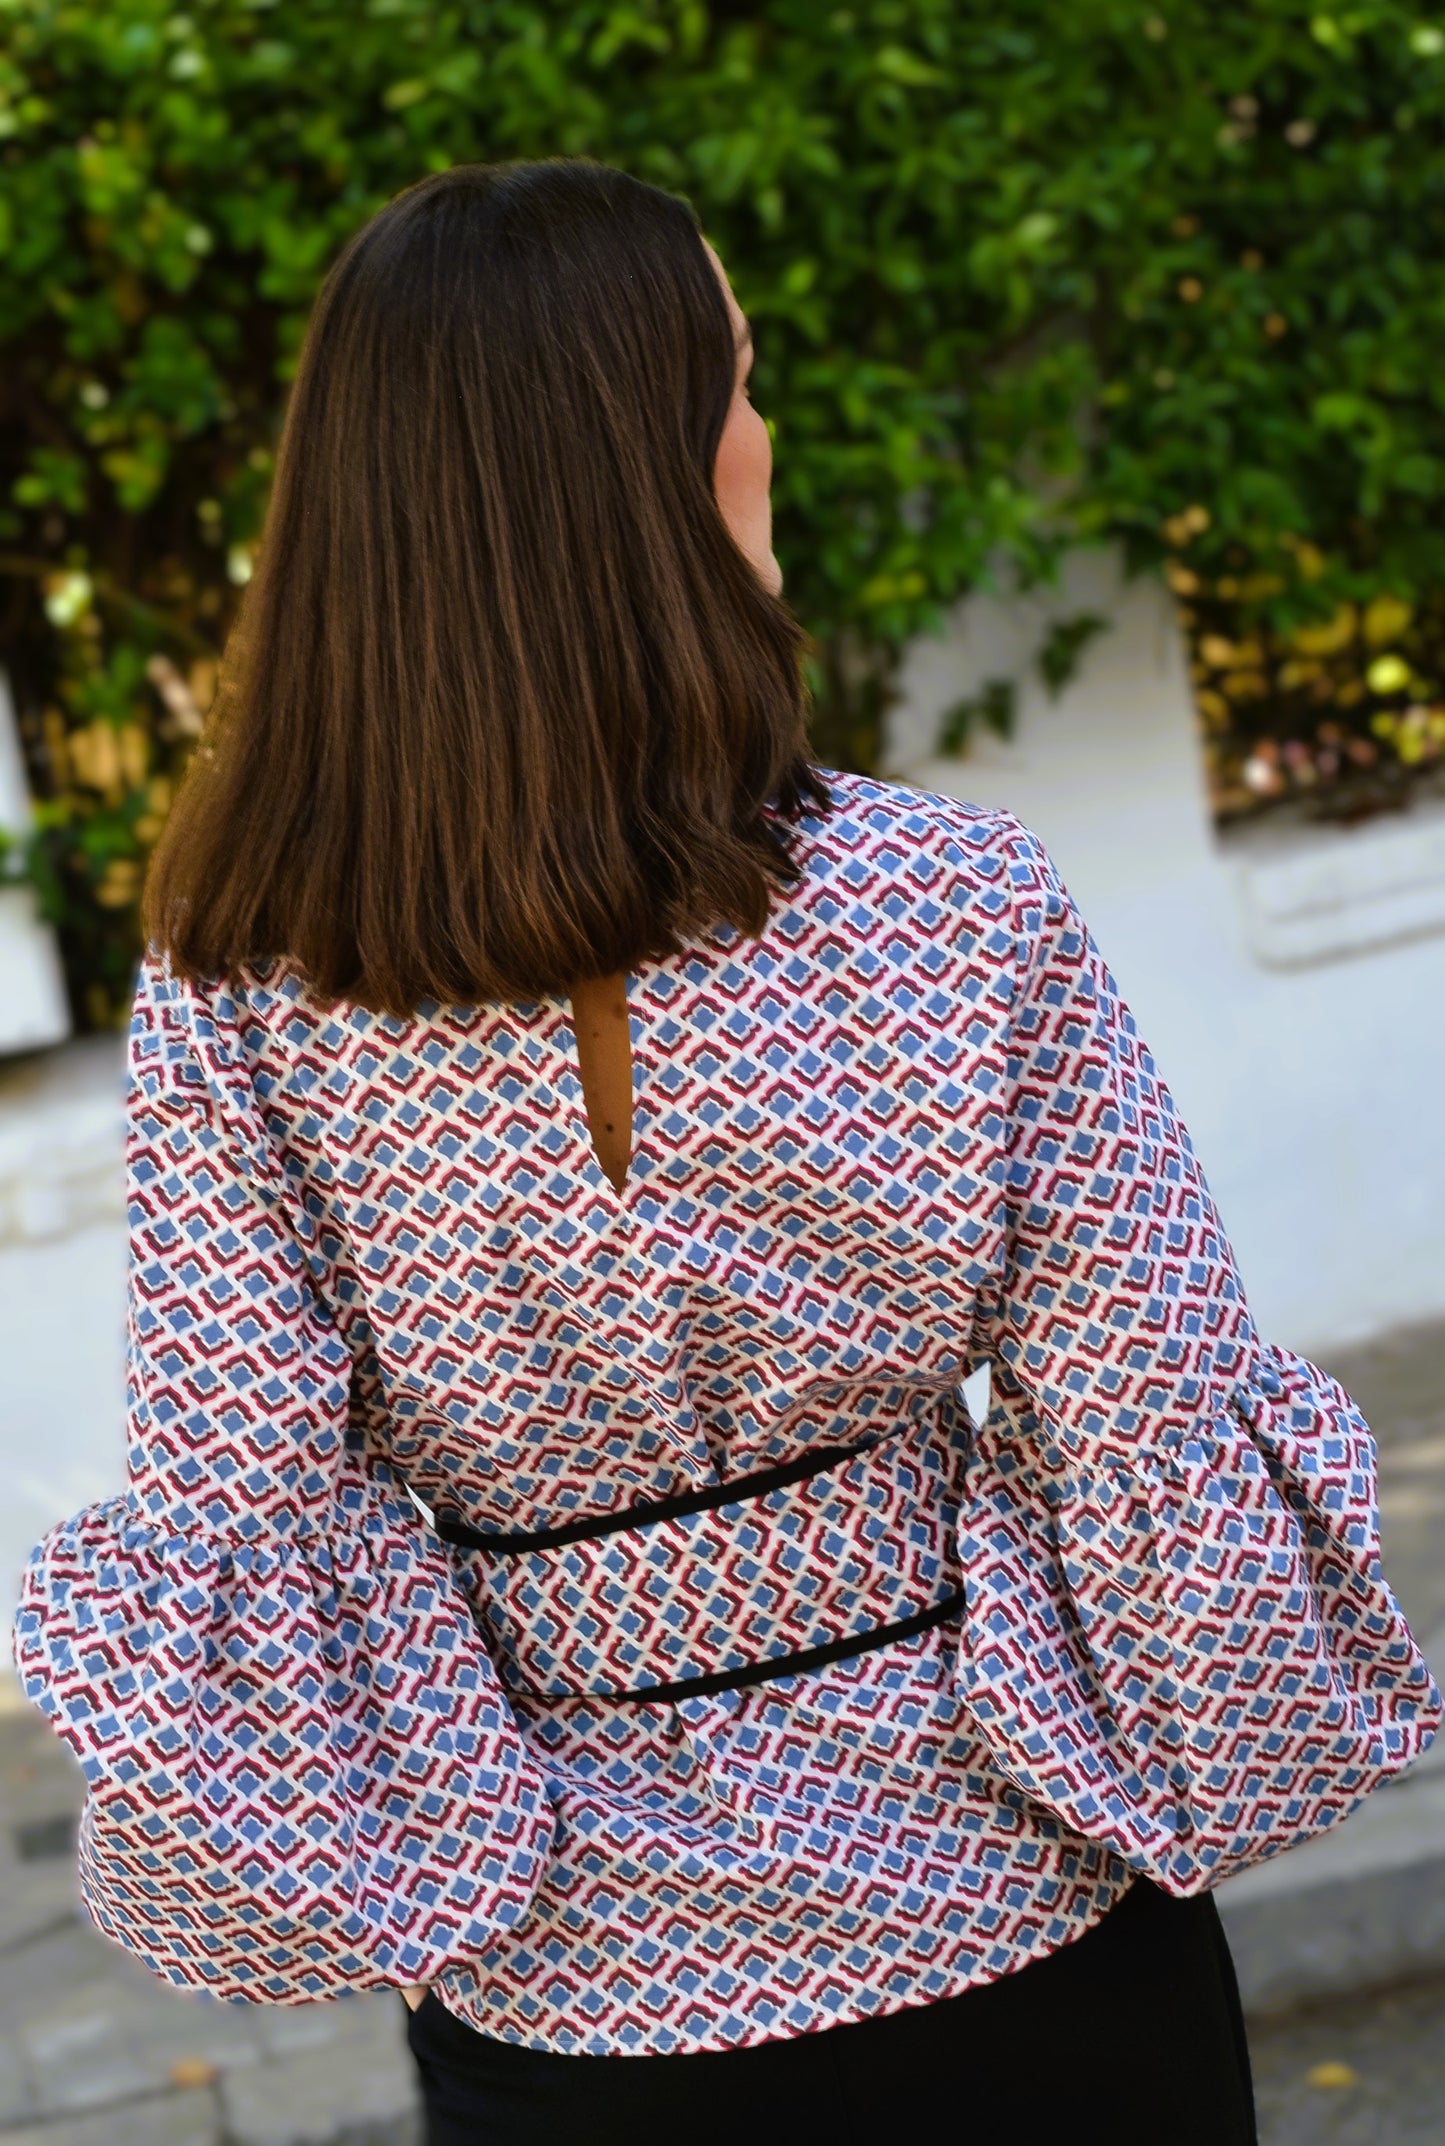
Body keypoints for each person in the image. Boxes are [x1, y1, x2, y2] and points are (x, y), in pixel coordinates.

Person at [13, 158, 1440, 2146]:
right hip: (1020, 1903)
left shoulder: (246, 977)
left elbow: (240, 1487)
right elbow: (1146, 1401)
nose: (763, 429)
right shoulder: (950, 896)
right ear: (650, 461)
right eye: (736, 378)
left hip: (570, 1985)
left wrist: (393, 1852)